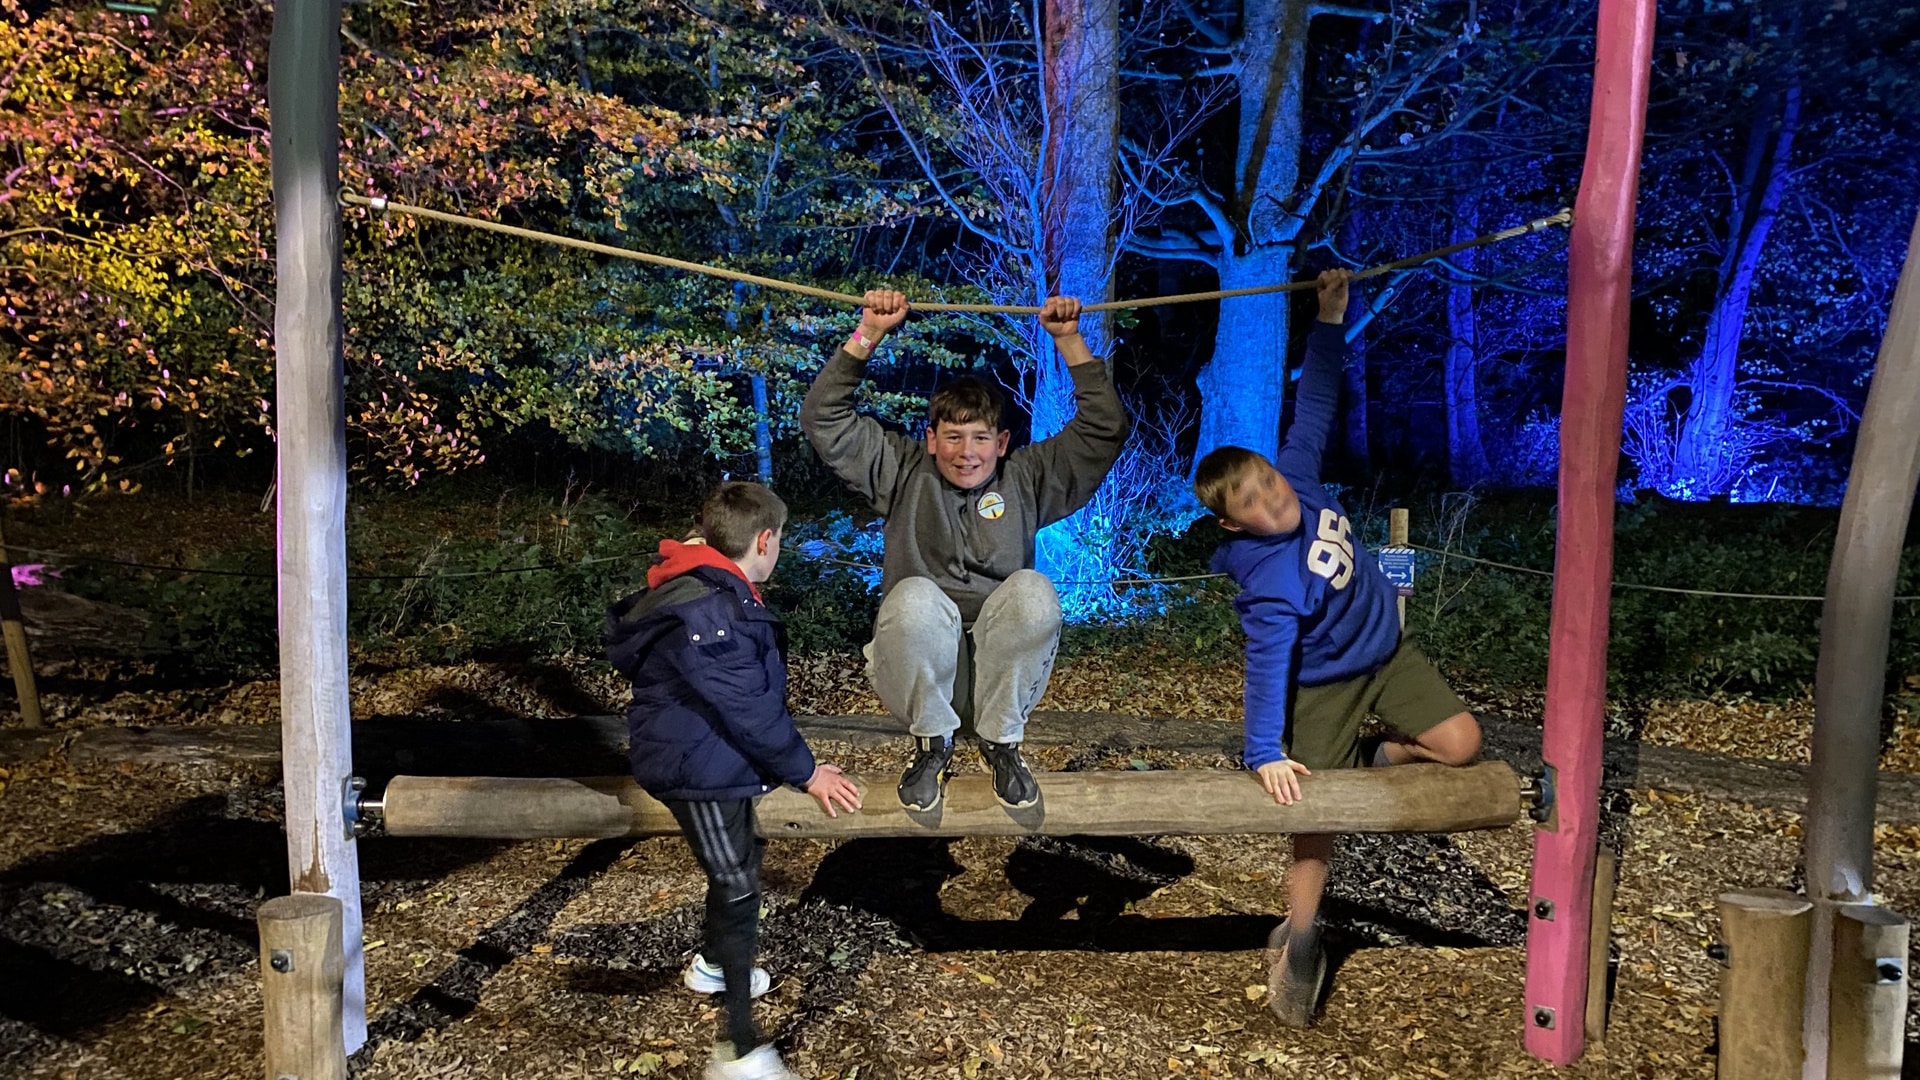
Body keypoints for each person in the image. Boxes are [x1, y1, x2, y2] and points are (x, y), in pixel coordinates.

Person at [1191, 269, 1483, 1027]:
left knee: (1461, 744)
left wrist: (1328, 316)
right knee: (1316, 813)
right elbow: (1266, 669)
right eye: (1249, 501)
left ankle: (1378, 755)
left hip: (1386, 656)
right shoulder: (1268, 584)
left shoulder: (1303, 477)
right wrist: (1263, 749)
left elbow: (1315, 401)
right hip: (1319, 688)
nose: (1269, 497)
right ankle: (1299, 932)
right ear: (1233, 524)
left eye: (1264, 481)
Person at [801, 291, 1128, 812]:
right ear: (931, 439)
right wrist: (869, 333)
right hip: (924, 675)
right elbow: (824, 419)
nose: (966, 453)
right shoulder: (903, 472)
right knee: (911, 597)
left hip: (1001, 681)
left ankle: (1002, 746)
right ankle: (932, 746)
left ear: (1001, 444)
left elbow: (1104, 427)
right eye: (952, 437)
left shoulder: (1026, 479)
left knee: (1034, 589)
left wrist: (1069, 341)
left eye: (980, 439)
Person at [603, 481, 863, 1080]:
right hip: (697, 767)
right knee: (739, 881)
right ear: (765, 540)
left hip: (710, 753)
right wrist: (808, 772)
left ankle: (714, 964)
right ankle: (739, 1049)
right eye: (781, 542)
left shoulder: (708, 584)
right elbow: (747, 707)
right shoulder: (709, 608)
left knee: (742, 861)